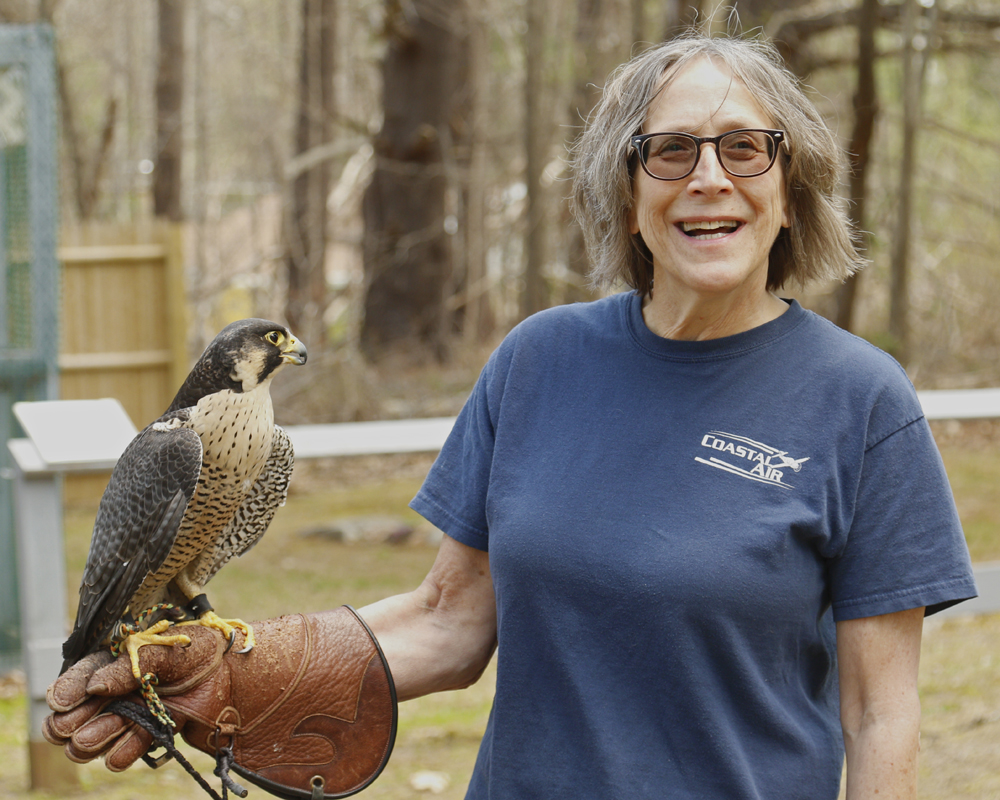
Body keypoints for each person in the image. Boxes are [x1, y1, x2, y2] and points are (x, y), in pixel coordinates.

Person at [45, 32, 977, 800]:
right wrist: (231, 674)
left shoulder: (862, 402)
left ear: (788, 185)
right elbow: (450, 621)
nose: (708, 177)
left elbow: (880, 713)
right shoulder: (539, 361)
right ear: (628, 190)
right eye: (670, 150)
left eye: (744, 148)